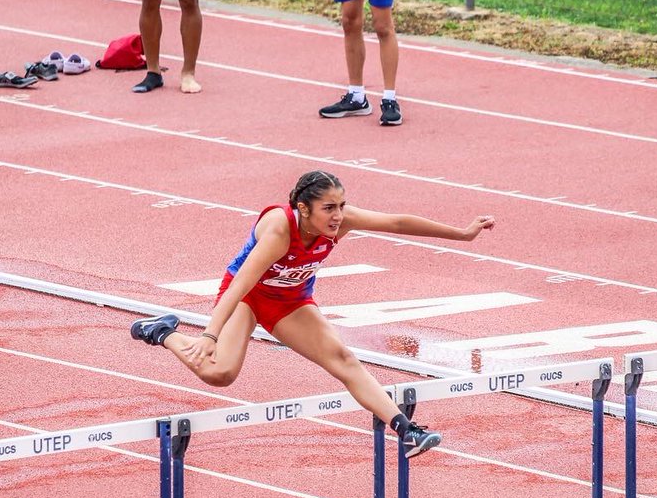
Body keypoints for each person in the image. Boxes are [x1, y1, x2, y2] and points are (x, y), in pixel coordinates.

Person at [131, 170, 496, 457]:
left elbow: (397, 223)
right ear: (304, 209)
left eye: (341, 206)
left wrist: (462, 236)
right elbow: (241, 283)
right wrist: (210, 334)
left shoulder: (342, 220)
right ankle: (163, 332)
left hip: (291, 301)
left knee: (342, 358)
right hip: (247, 295)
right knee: (220, 373)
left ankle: (405, 430)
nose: (338, 216)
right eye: (329, 208)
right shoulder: (279, 229)